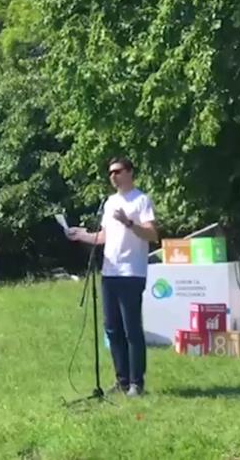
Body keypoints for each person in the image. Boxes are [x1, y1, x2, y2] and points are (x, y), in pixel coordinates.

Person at [67, 157, 158, 397]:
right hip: (110, 272)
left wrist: (129, 222)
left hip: (132, 272)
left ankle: (137, 383)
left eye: (117, 171)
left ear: (130, 172)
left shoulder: (141, 200)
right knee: (112, 329)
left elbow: (152, 234)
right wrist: (81, 235)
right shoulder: (109, 203)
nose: (113, 176)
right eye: (110, 173)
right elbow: (104, 237)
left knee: (131, 329)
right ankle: (122, 380)